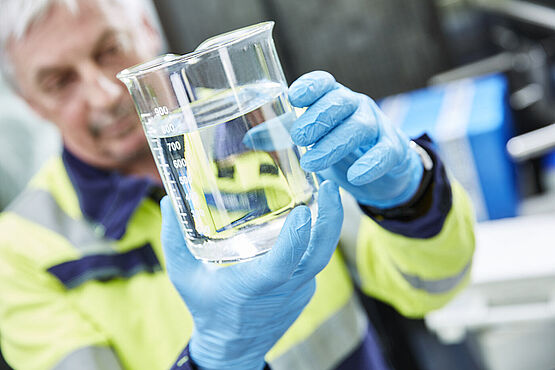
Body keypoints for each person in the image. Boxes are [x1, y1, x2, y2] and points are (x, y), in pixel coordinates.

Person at [0, 0, 475, 369]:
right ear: (31, 103)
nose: (104, 93)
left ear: (148, 32)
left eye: (110, 50)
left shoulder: (258, 127)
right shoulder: (19, 254)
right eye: (59, 81)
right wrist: (214, 361)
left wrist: (410, 197)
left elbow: (432, 286)